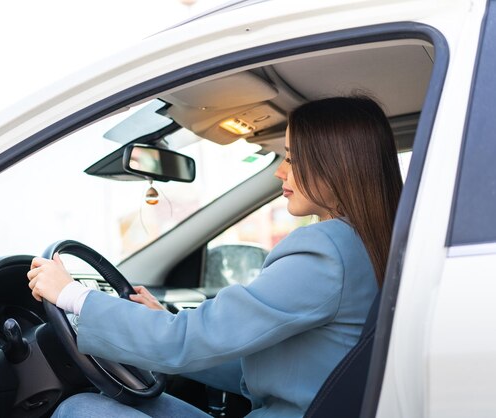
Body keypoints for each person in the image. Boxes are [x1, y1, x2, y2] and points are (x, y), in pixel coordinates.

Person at [26, 95, 403, 418]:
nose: (280, 172)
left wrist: (73, 296)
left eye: (291, 157)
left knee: (82, 411)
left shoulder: (324, 250)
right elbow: (269, 366)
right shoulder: (369, 243)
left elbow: (186, 341)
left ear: (335, 164)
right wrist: (163, 320)